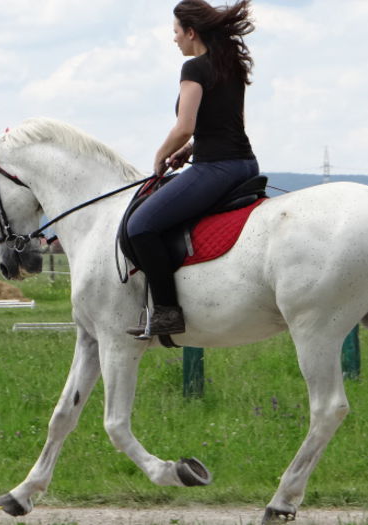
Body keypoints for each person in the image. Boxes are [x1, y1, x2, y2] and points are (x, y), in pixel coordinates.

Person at [126, 0, 258, 337]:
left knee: (140, 226)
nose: (174, 40)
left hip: (216, 169)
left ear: (191, 31)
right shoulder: (232, 66)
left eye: (175, 32)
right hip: (245, 165)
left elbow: (185, 125)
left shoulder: (195, 69)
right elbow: (232, 125)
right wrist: (189, 150)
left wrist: (162, 153)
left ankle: (167, 312)